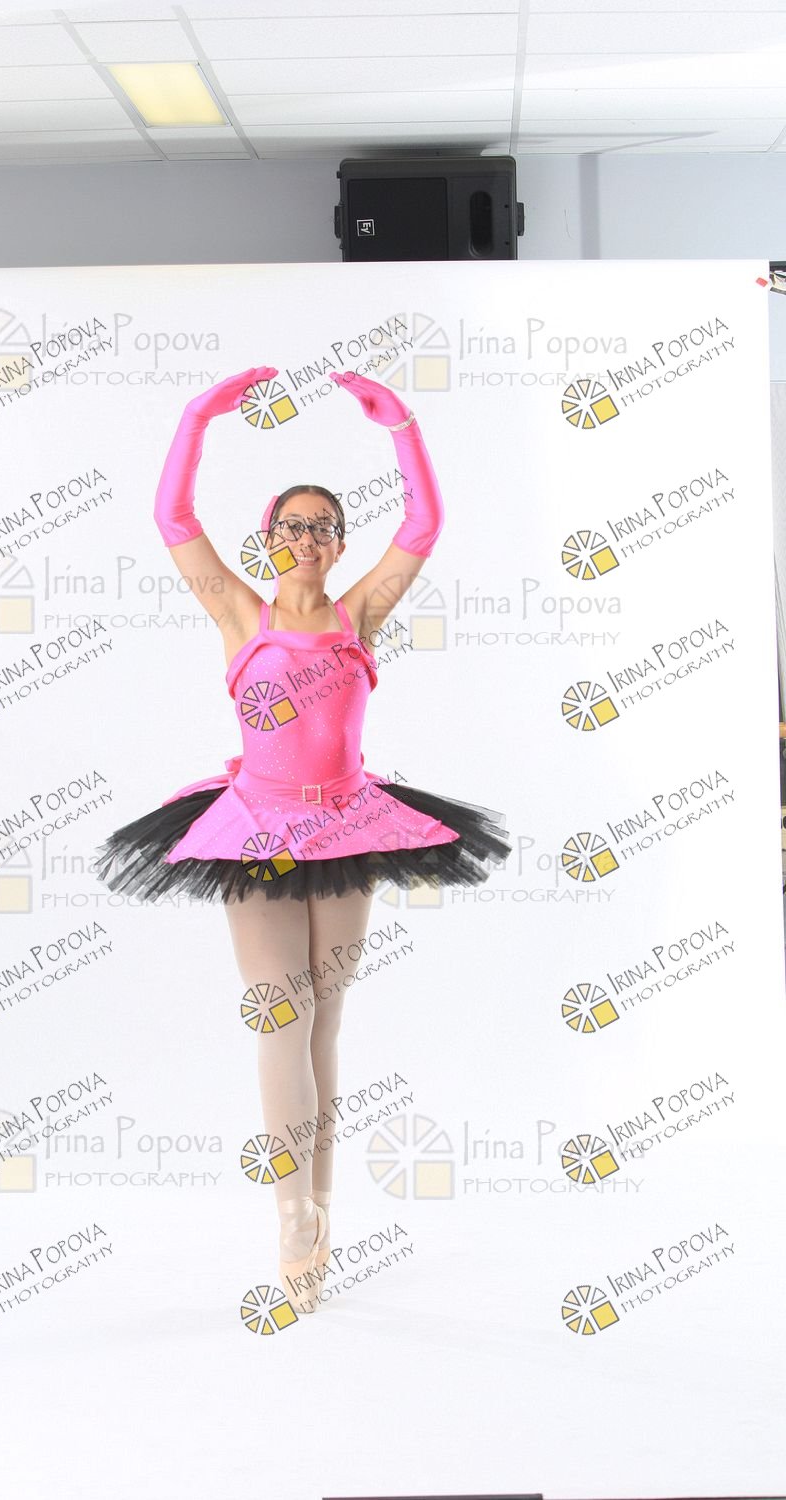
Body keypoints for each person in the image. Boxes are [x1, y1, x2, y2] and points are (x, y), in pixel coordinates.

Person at [93, 365, 512, 1315]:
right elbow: (170, 516)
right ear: (268, 537)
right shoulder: (239, 613)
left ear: (339, 542)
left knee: (324, 1020)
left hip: (349, 822)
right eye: (292, 526)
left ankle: (318, 1210)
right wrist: (197, 415)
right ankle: (290, 1216)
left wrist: (401, 425)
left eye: (323, 526)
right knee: (279, 1015)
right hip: (258, 826)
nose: (307, 539)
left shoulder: (360, 614)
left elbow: (425, 525)